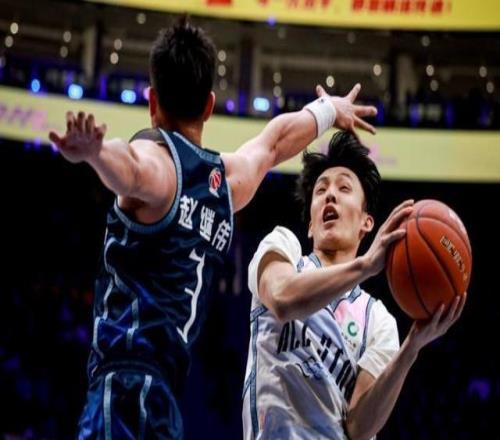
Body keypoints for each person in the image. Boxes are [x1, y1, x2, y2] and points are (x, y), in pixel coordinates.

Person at [48, 17, 378, 440]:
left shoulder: (158, 165)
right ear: (209, 105)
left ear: (152, 101)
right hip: (160, 393)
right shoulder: (226, 182)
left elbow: (130, 168)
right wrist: (330, 110)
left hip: (125, 386)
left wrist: (95, 154)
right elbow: (274, 142)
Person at [242, 131, 466, 439]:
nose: (330, 195)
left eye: (344, 187)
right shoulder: (282, 248)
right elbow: (281, 299)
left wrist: (411, 348)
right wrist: (366, 265)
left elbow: (359, 428)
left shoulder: (379, 321)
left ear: (366, 223)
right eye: (321, 190)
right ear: (310, 224)